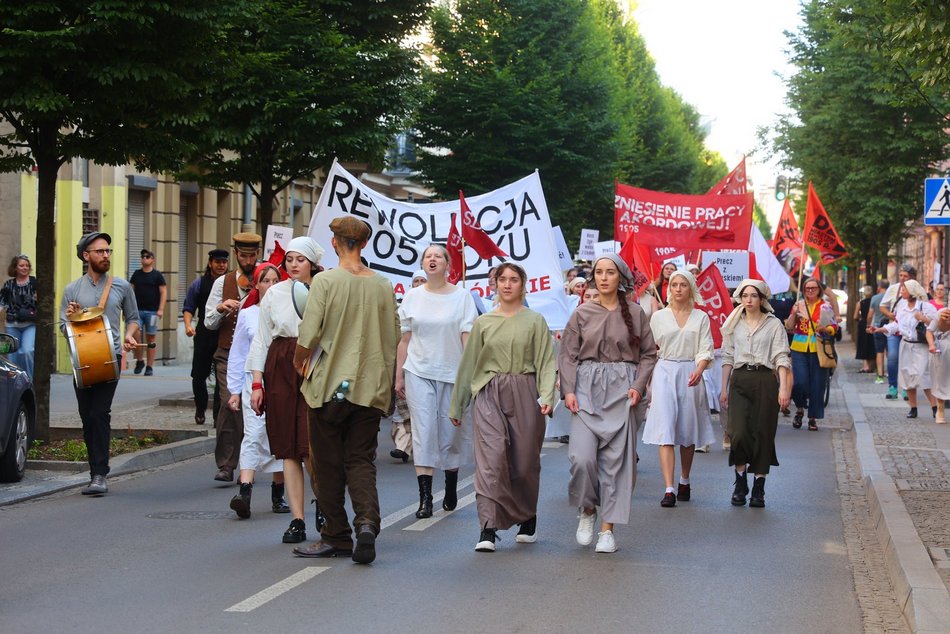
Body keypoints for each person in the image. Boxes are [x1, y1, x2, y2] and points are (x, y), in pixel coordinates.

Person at [292, 216, 399, 565]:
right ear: (364, 245)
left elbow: (308, 334)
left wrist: (299, 362)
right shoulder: (383, 285)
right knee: (361, 460)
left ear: (335, 242)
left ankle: (336, 535)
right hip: (369, 387)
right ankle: (367, 523)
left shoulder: (325, 281)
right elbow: (393, 336)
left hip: (329, 387)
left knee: (325, 464)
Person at [449, 263, 556, 552]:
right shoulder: (484, 323)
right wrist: (458, 405)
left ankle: (527, 516)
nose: (507, 284)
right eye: (502, 279)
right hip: (489, 392)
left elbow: (547, 362)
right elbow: (469, 364)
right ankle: (488, 526)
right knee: (491, 459)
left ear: (523, 285)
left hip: (524, 390)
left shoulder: (535, 321)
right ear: (494, 284)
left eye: (514, 279)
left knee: (524, 462)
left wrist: (547, 396)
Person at [559, 254, 656, 553]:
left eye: (609, 272)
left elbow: (649, 354)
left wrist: (638, 387)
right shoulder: (581, 314)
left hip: (622, 391)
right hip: (587, 390)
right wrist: (569, 390)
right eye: (598, 273)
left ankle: (607, 529)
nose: (603, 278)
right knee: (582, 458)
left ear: (620, 278)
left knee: (617, 464)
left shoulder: (636, 313)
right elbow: (568, 355)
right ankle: (587, 510)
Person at [248, 237, 324, 543]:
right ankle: (297, 519)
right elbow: (262, 339)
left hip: (314, 363)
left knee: (311, 445)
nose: (293, 264)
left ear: (312, 263)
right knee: (288, 446)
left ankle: (323, 504)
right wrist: (256, 383)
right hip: (279, 365)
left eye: (300, 259)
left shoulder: (325, 289)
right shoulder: (274, 294)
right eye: (289, 259)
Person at [396, 245, 477, 519]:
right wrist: (399, 374)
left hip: (452, 373)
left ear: (447, 264)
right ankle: (425, 498)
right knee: (423, 431)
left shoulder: (462, 297)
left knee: (449, 432)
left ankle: (451, 485)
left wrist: (470, 374)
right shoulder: (412, 296)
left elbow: (468, 336)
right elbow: (405, 339)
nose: (432, 259)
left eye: (438, 256)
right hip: (418, 370)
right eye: (428, 256)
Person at [60, 232, 140, 496]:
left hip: (110, 356)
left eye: (108, 251)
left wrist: (129, 336)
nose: (106, 255)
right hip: (81, 360)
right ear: (86, 256)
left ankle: (99, 475)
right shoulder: (72, 290)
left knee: (99, 413)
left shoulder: (121, 286)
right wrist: (70, 319)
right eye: (100, 251)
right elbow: (63, 328)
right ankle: (95, 469)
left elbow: (134, 318)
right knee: (86, 417)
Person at [642, 269, 716, 507]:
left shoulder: (700, 317)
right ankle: (669, 488)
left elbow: (706, 347)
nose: (678, 288)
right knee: (665, 429)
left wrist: (700, 367)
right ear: (669, 288)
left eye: (683, 284)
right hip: (664, 371)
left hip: (690, 371)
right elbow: (648, 349)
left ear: (690, 288)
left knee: (687, 430)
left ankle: (684, 479)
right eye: (674, 284)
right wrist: (646, 382)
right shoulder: (658, 317)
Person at [719, 280, 791, 508]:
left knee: (763, 433)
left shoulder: (773, 324)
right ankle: (740, 481)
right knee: (738, 433)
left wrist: (784, 388)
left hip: (765, 380)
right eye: (745, 295)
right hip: (740, 379)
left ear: (762, 299)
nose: (748, 299)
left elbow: (781, 356)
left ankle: (759, 486)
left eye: (753, 295)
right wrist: (723, 388)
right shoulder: (733, 324)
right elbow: (728, 356)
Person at [226, 263, 287, 519]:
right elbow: (238, 352)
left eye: (275, 280)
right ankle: (245, 491)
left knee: (280, 436)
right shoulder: (247, 313)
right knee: (252, 434)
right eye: (265, 280)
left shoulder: (288, 312)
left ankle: (278, 492)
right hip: (253, 382)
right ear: (257, 285)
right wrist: (234, 390)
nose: (270, 285)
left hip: (282, 382)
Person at [205, 233, 262, 482]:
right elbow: (208, 323)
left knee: (256, 408)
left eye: (252, 255)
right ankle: (227, 464)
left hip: (260, 354)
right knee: (230, 404)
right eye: (243, 255)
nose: (248, 260)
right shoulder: (223, 283)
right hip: (228, 354)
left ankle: (253, 462)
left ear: (257, 254)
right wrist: (220, 309)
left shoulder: (266, 279)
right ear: (236, 254)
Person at [873, 280, 938, 418]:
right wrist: (879, 329)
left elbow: (936, 325)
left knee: (923, 376)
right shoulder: (901, 307)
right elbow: (896, 325)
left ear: (912, 291)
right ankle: (913, 408)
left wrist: (923, 318)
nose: (901, 291)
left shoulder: (925, 306)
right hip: (906, 345)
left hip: (921, 345)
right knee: (907, 377)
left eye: (904, 289)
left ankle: (935, 408)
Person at [183, 249, 229, 425]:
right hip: (204, 333)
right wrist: (188, 325)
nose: (221, 265)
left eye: (224, 262)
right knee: (198, 375)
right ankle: (200, 408)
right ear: (210, 263)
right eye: (217, 262)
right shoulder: (198, 284)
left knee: (221, 376)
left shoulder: (231, 283)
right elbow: (189, 307)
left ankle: (218, 415)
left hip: (223, 334)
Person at [786, 278, 838, 431]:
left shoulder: (825, 306)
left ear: (819, 290)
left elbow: (833, 327)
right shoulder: (798, 305)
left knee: (817, 384)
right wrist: (793, 315)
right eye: (807, 288)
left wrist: (824, 328)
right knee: (799, 382)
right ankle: (800, 408)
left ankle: (813, 418)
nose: (810, 291)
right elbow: (789, 326)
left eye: (813, 288)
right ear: (803, 290)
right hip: (798, 348)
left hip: (818, 348)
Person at [390, 270, 427, 463]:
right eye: (416, 281)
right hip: (405, 363)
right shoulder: (402, 307)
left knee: (419, 408)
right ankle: (402, 446)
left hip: (427, 365)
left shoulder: (437, 306)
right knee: (403, 406)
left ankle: (412, 446)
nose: (419, 284)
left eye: (423, 280)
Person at [879, 263, 917, 400]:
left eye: (905, 276)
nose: (902, 278)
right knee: (893, 357)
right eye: (900, 275)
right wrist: (890, 315)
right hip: (894, 329)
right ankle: (893, 387)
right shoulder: (893, 289)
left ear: (912, 277)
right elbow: (882, 306)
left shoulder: (917, 290)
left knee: (908, 360)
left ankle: (907, 388)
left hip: (910, 331)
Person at [129, 248, 167, 376]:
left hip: (153, 312)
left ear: (153, 259)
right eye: (142, 256)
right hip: (137, 311)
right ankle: (140, 361)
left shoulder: (157, 275)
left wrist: (161, 309)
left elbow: (163, 292)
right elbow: (130, 291)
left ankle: (150, 366)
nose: (144, 258)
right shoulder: (136, 274)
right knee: (136, 337)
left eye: (147, 256)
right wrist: (127, 309)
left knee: (151, 338)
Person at [0, 255, 37, 378]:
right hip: (12, 325)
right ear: (15, 268)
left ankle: (28, 380)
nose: (25, 268)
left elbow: (42, 303)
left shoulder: (34, 282)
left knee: (26, 351)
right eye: (21, 265)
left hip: (29, 324)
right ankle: (15, 382)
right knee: (12, 356)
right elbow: (2, 302)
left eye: (27, 265)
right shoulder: (8, 284)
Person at [928, 306, 950, 424]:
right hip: (944, 347)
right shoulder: (943, 312)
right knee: (941, 379)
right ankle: (940, 409)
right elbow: (929, 330)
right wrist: (931, 344)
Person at [866, 279, 890, 385]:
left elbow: (870, 315)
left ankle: (880, 375)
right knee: (890, 352)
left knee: (879, 352)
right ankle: (890, 373)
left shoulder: (875, 298)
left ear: (879, 287)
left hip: (877, 327)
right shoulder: (891, 297)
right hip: (890, 327)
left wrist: (868, 325)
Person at [854, 285, 876, 373]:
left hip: (863, 324)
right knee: (872, 343)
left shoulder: (860, 303)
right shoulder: (874, 302)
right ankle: (872, 365)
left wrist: (859, 319)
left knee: (863, 343)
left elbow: (855, 316)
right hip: (873, 323)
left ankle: (865, 366)